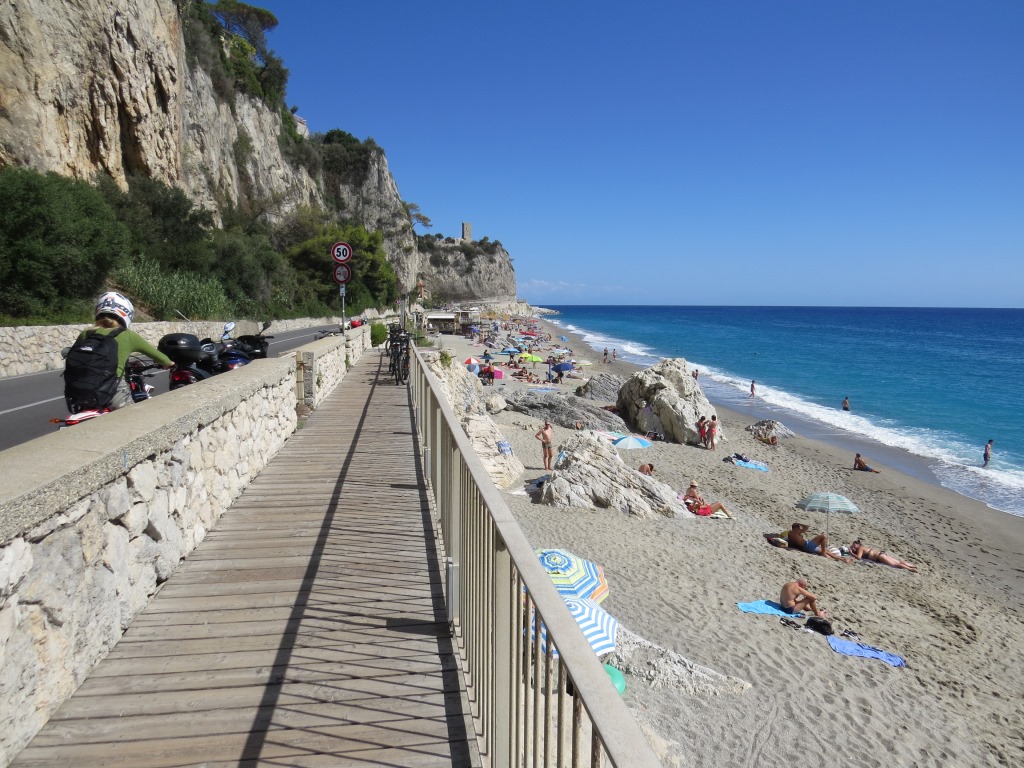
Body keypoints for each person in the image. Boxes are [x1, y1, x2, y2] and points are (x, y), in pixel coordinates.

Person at [71, 292, 173, 410]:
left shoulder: (86, 333)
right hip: (113, 391)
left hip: (79, 391)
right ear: (126, 312)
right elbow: (162, 359)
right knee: (135, 417)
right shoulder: (127, 335)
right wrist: (169, 363)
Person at [849, 540, 918, 572]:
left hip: (879, 557)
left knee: (895, 564)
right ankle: (912, 565)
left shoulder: (860, 548)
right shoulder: (863, 548)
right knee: (899, 562)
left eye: (854, 545)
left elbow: (859, 557)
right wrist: (853, 551)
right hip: (881, 554)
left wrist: (851, 553)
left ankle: (910, 569)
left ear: (858, 545)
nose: (853, 547)